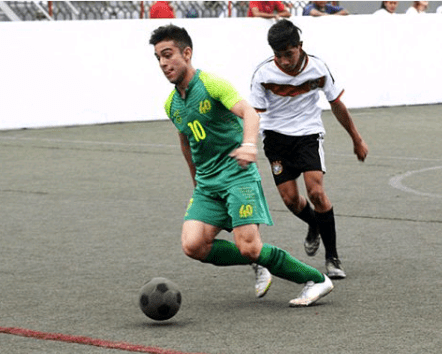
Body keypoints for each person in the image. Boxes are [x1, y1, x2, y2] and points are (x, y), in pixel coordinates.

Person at [149, 24, 333, 307]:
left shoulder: (211, 84)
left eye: (168, 54)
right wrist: (196, 180)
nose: (163, 63)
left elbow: (249, 112)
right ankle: (259, 262)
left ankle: (315, 280)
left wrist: (249, 145)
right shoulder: (171, 104)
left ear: (186, 53)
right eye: (158, 57)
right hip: (208, 185)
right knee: (193, 245)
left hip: (238, 176)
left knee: (249, 246)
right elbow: (186, 142)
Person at [249, 20, 368, 279]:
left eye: (288, 54)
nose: (284, 61)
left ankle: (332, 257)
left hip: (308, 136)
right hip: (276, 139)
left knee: (315, 192)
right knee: (291, 200)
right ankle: (314, 224)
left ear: (300, 47)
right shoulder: (263, 74)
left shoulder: (318, 68)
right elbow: (254, 115)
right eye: (278, 56)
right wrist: (248, 145)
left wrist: (356, 139)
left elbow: (336, 104)